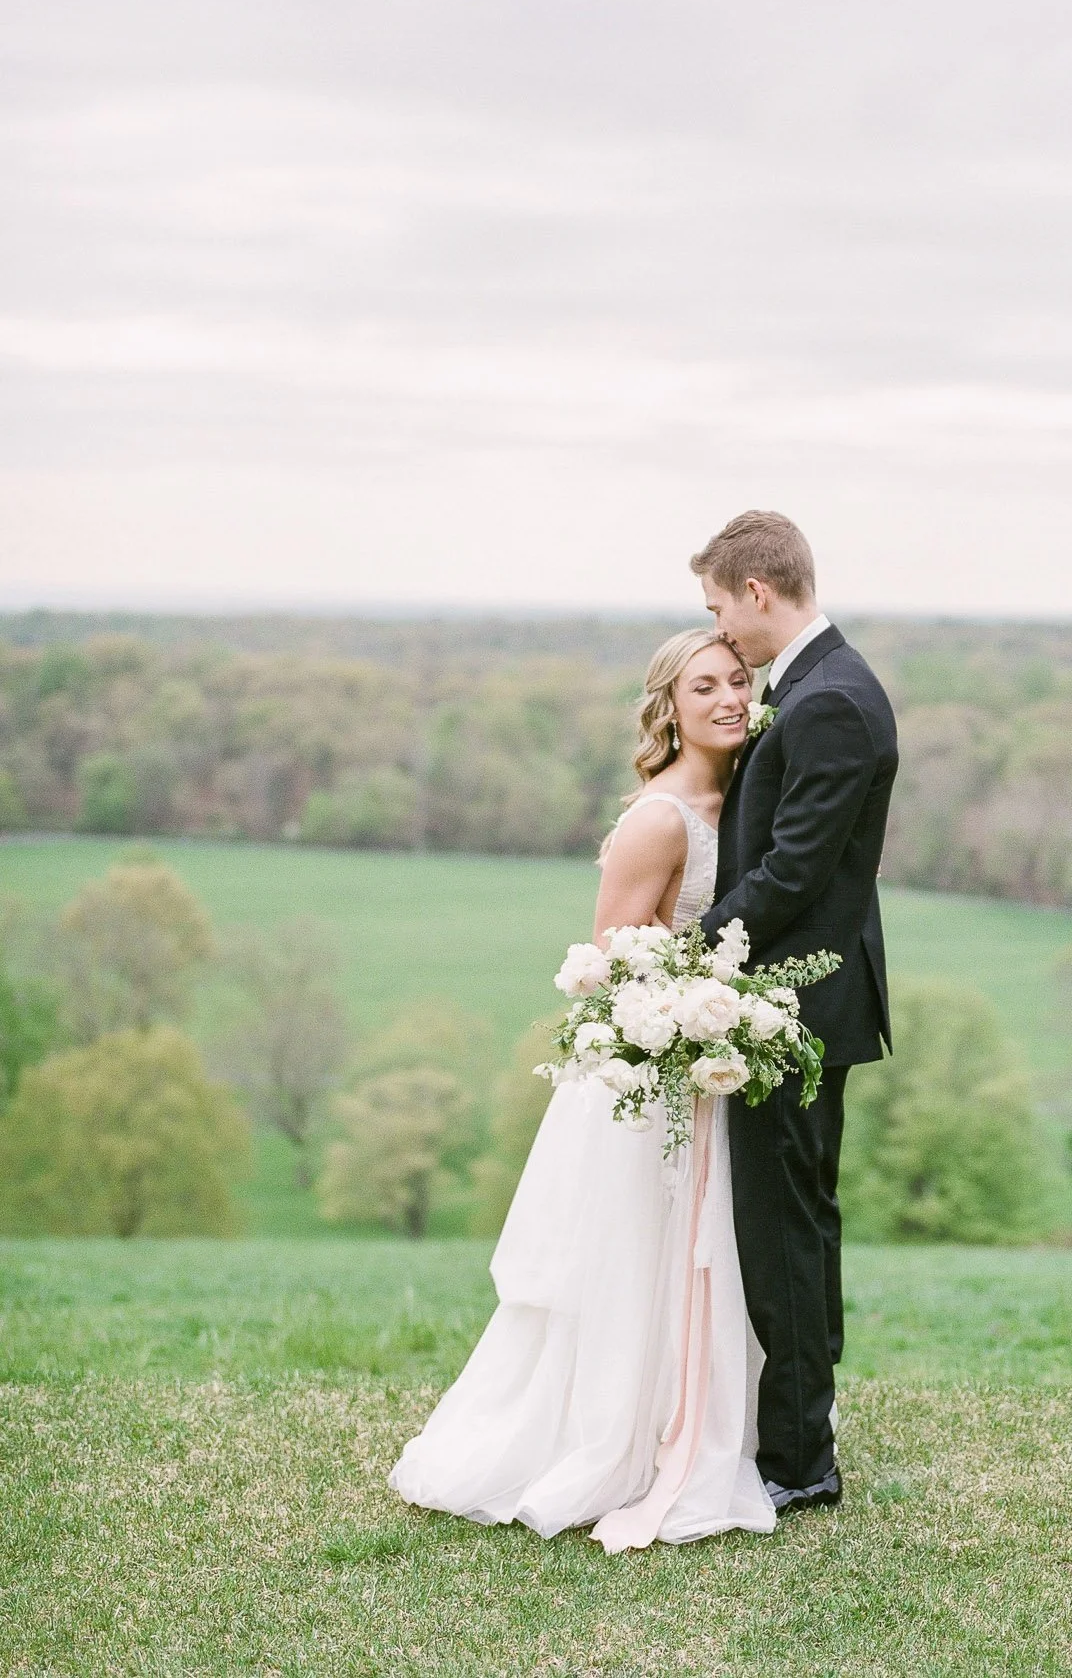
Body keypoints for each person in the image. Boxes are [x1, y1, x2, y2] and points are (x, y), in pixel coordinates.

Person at [390, 628, 777, 1549]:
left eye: (739, 681)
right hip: (648, 1083)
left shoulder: (749, 799)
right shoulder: (659, 817)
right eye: (705, 686)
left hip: (714, 1073)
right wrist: (696, 1017)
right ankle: (615, 1439)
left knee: (706, 1261)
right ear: (670, 707)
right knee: (637, 1260)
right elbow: (612, 960)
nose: (728, 698)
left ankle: (700, 1426)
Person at [692, 510, 898, 1514]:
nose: (720, 630)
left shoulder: (828, 703)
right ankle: (797, 1442)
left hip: (794, 1008)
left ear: (758, 593)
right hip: (799, 998)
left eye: (719, 607)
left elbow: (789, 874)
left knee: (783, 1230)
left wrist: (692, 954)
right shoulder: (823, 687)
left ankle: (798, 1462)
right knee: (796, 1224)